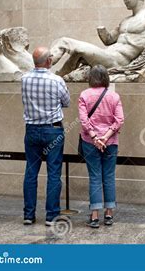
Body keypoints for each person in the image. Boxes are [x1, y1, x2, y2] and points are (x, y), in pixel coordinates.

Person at [21, 46, 70, 226]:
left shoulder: (24, 79)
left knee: (31, 172)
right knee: (54, 173)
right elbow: (66, 102)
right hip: (53, 130)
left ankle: (28, 214)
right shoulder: (56, 80)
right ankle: (51, 216)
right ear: (49, 61)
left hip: (32, 129)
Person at [78, 65, 124, 228]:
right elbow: (119, 120)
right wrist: (105, 137)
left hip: (90, 142)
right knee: (109, 176)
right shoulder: (114, 96)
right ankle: (109, 213)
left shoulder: (84, 95)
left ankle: (95, 215)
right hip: (110, 142)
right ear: (106, 78)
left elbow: (84, 120)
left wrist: (95, 137)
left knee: (95, 177)